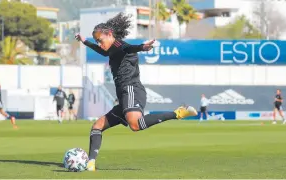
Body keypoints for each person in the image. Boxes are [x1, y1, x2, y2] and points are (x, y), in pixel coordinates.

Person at [75, 13, 197, 172]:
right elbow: (103, 51)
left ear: (110, 34)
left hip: (131, 89)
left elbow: (129, 48)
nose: (99, 43)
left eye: (100, 40)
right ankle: (90, 163)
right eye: (97, 41)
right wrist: (85, 42)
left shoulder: (119, 45)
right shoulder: (111, 49)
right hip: (124, 96)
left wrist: (142, 47)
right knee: (97, 127)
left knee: (135, 125)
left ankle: (178, 113)